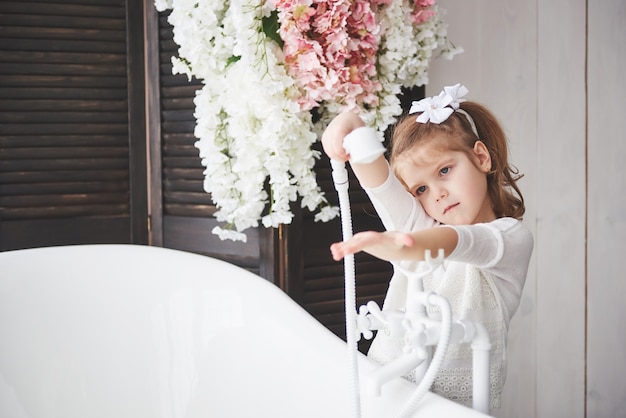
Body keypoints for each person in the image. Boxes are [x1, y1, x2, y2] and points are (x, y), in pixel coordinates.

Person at [321, 84, 533, 411]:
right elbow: (381, 186)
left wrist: (408, 246)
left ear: (480, 157)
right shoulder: (425, 228)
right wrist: (351, 126)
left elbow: (461, 242)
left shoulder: (508, 238)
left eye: (445, 171)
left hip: (457, 407)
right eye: (420, 188)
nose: (437, 194)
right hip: (387, 393)